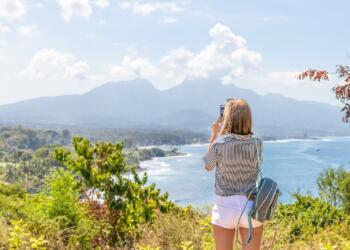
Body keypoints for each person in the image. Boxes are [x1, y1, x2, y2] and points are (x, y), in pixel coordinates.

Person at [203, 98, 263, 250]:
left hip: (224, 207)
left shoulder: (219, 145)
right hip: (251, 205)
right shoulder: (257, 143)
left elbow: (208, 166)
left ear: (227, 118)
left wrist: (214, 135)